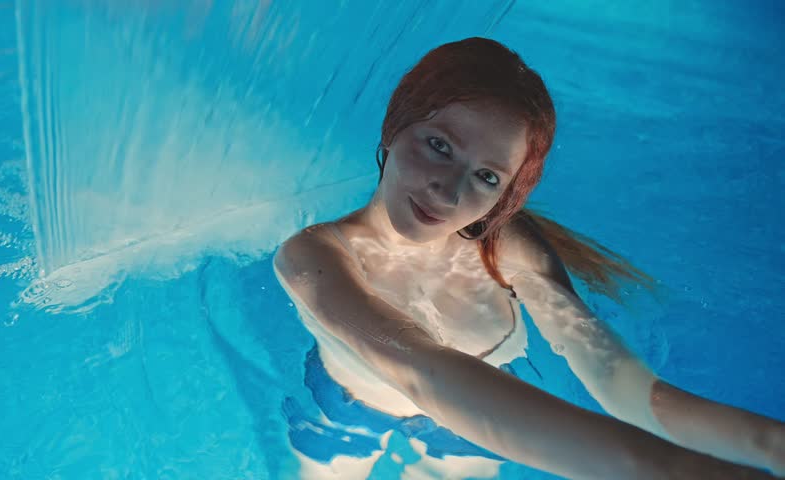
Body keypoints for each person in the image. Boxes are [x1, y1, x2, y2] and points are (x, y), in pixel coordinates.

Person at [273, 37, 784, 479]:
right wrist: (668, 467)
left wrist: (767, 443)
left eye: (487, 177)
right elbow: (419, 368)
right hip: (350, 412)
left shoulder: (507, 246)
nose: (448, 192)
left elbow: (613, 378)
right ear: (393, 126)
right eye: (439, 145)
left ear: (505, 197)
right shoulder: (311, 257)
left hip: (490, 420)